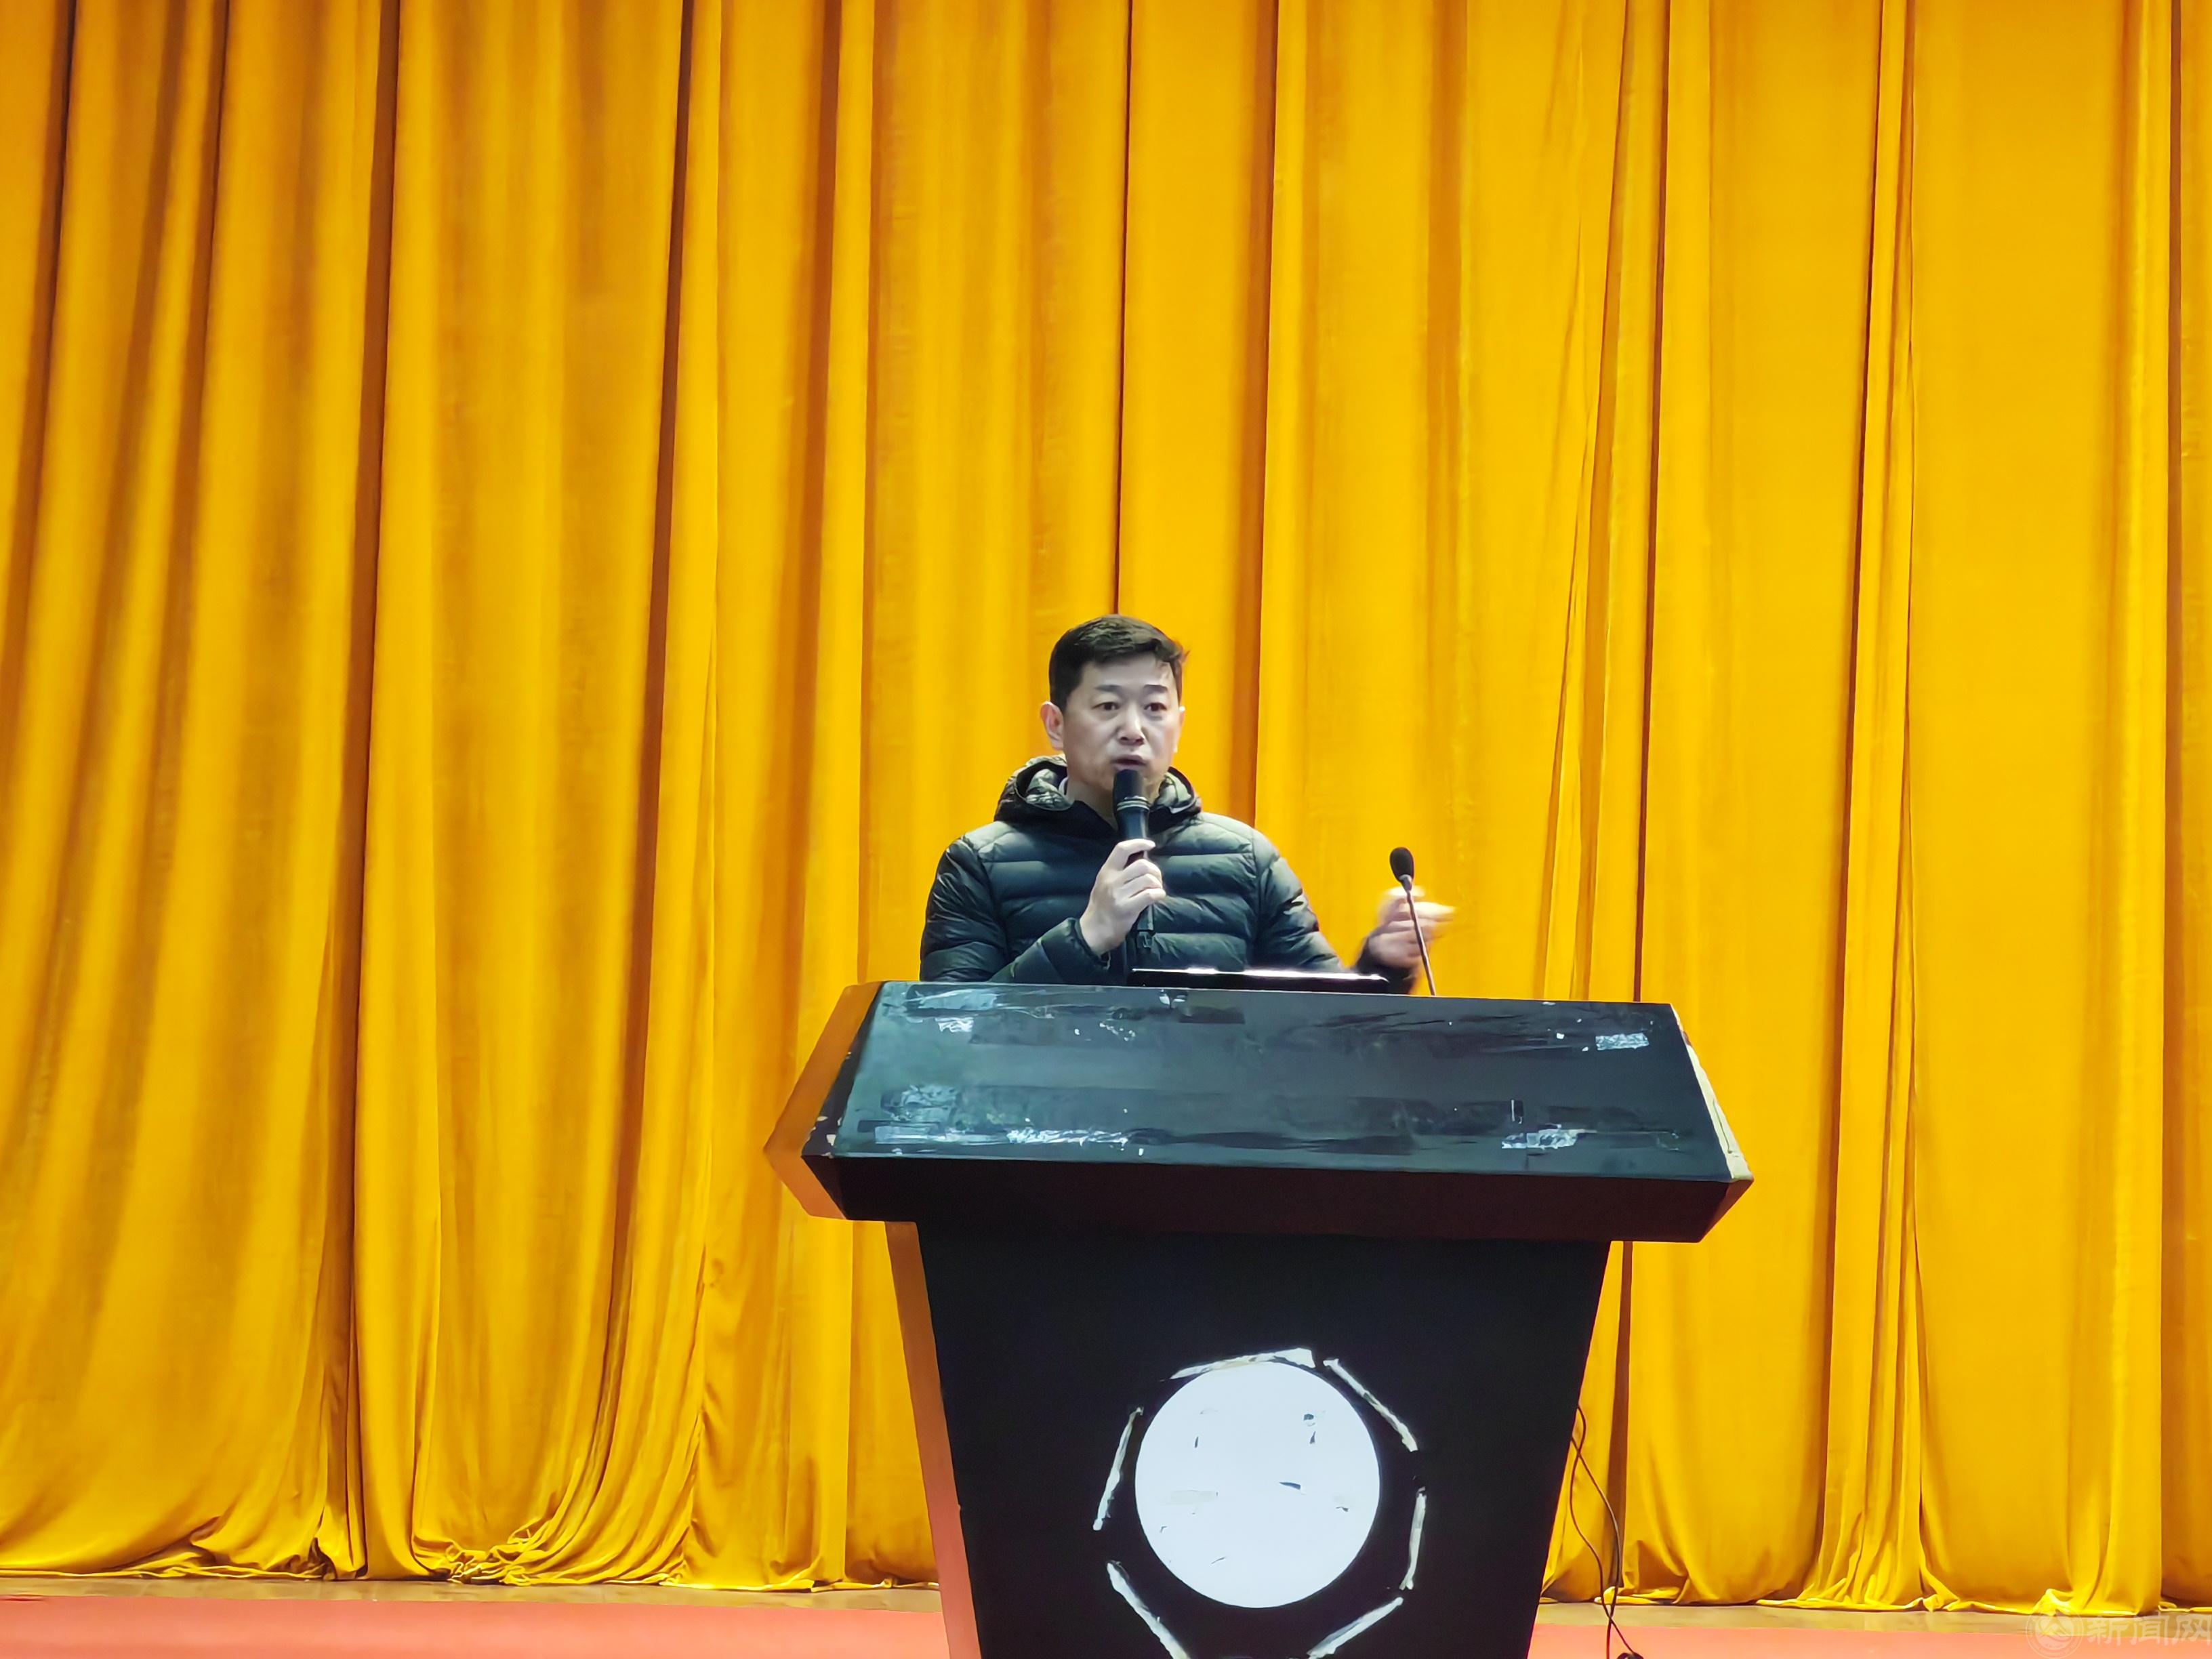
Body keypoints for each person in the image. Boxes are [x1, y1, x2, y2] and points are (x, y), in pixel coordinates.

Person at [920, 615, 1453, 984]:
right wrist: (1086, 937)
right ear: (1055, 724)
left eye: (1154, 709)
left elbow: (1326, 1031)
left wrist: (1384, 962)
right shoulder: (979, 864)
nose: (1134, 730)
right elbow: (947, 1035)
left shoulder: (1247, 860)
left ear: (1178, 724)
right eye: (1108, 707)